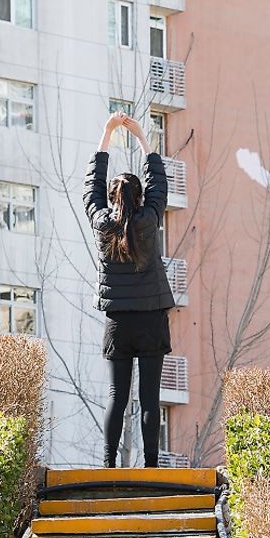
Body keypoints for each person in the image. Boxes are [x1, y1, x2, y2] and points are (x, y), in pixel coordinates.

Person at [84, 111, 175, 468]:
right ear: (140, 197)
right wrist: (141, 137)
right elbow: (159, 181)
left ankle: (109, 465)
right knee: (150, 398)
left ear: (112, 198)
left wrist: (107, 133)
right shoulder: (150, 218)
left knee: (116, 396)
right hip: (151, 320)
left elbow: (92, 187)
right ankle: (152, 467)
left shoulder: (101, 223)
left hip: (118, 324)